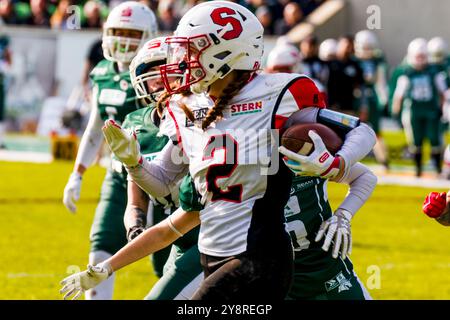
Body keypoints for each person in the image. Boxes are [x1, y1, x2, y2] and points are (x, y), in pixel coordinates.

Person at [60, 1, 376, 300]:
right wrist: (133, 161)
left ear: (225, 52)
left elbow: (361, 131)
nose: (180, 61)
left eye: (191, 49)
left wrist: (334, 164)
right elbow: (163, 186)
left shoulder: (276, 94)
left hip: (260, 258)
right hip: (213, 255)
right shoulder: (187, 108)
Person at [62, 1, 158, 300]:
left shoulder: (153, 71)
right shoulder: (102, 71)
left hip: (158, 177)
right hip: (118, 176)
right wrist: (77, 173)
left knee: (164, 260)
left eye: (132, 33)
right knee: (100, 248)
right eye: (118, 32)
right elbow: (94, 127)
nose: (124, 40)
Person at [124, 37, 203, 300]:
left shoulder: (200, 114)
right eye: (152, 73)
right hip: (165, 225)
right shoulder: (136, 123)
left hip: (202, 223)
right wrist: (135, 228)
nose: (160, 80)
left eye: (166, 69)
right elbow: (136, 197)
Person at [391, 38, 449, 177]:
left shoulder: (434, 71)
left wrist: (442, 109)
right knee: (416, 142)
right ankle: (418, 170)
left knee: (435, 140)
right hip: (414, 111)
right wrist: (396, 112)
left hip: (431, 111)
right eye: (418, 56)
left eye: (423, 56)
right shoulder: (406, 72)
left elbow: (442, 92)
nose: (420, 59)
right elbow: (399, 95)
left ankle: (438, 169)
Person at [354, 30, 390, 171]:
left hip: (371, 97)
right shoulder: (353, 59)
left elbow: (380, 81)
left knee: (376, 131)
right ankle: (349, 158)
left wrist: (383, 98)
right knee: (352, 130)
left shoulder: (378, 60)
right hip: (357, 97)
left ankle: (383, 159)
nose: (367, 51)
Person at [0, 34, 11, 149]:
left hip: (1, 84)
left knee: (1, 115)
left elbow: (8, 64)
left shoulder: (4, 43)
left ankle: (0, 141)